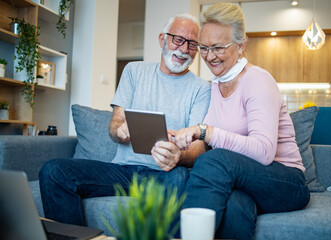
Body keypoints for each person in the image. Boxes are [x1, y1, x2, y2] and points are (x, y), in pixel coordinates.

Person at [39, 13, 211, 227]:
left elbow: (199, 148)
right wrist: (120, 131)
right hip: (122, 170)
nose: (184, 49)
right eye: (178, 40)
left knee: (179, 179)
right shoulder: (133, 71)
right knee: (53, 171)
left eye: (192, 44)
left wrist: (179, 155)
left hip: (165, 174)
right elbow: (115, 124)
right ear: (162, 40)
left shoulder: (202, 88)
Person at [171, 3, 310, 240]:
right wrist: (178, 143)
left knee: (214, 160)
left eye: (218, 47)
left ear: (241, 45)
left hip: (287, 182)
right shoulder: (214, 86)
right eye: (204, 48)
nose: (209, 56)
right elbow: (208, 142)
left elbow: (265, 152)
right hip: (247, 181)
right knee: (235, 205)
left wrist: (206, 131)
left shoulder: (258, 80)